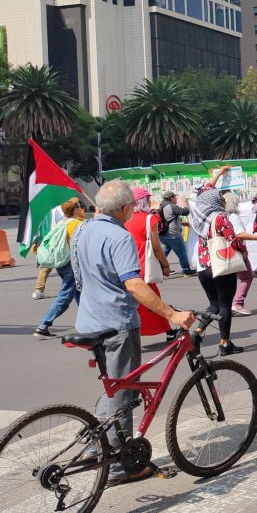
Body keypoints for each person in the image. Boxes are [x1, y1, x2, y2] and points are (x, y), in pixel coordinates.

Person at [71, 181, 194, 486]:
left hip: (88, 321)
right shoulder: (119, 235)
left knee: (114, 386)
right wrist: (171, 314)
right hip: (117, 322)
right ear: (126, 208)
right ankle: (117, 465)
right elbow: (134, 284)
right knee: (124, 395)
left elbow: (77, 276)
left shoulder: (82, 230)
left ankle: (96, 442)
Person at [191, 185, 257, 356]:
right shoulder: (221, 218)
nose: (223, 201)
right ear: (214, 201)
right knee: (225, 306)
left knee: (213, 304)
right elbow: (234, 239)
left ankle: (198, 333)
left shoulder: (199, 220)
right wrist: (243, 253)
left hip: (203, 268)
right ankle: (224, 343)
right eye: (220, 198)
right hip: (221, 267)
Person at [33, 198, 87, 338]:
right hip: (72, 264)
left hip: (62, 264)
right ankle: (43, 325)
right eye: (79, 206)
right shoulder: (76, 224)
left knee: (79, 294)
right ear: (75, 209)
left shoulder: (62, 222)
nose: (81, 208)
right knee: (65, 296)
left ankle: (90, 324)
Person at [127, 188, 173, 339]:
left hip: (126, 265)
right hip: (143, 266)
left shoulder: (124, 220)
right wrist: (165, 265)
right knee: (154, 300)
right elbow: (156, 246)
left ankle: (137, 332)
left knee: (134, 303)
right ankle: (168, 331)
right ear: (143, 201)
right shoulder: (149, 219)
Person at [222, 193, 257, 316]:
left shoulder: (218, 216)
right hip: (236, 251)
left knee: (226, 281)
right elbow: (240, 234)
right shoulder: (232, 217)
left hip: (221, 253)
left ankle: (225, 306)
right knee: (246, 277)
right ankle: (238, 303)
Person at [157, 191, 196, 276]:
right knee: (182, 252)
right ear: (171, 198)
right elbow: (185, 212)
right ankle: (186, 270)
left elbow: (167, 219)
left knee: (163, 254)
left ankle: (158, 268)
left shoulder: (161, 206)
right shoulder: (171, 206)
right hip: (173, 235)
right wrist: (185, 202)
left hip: (163, 236)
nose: (176, 199)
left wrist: (181, 223)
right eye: (175, 197)